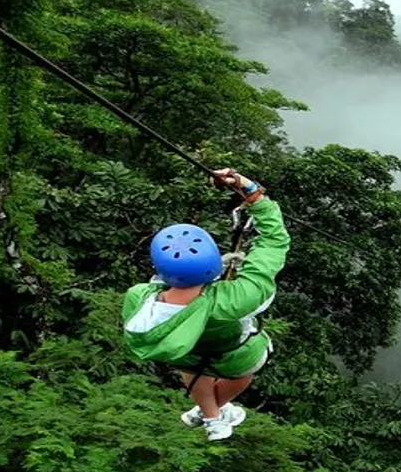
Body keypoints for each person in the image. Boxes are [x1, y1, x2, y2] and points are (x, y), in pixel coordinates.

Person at [121, 168, 290, 441]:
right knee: (247, 371)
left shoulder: (138, 297)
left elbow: (158, 288)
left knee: (193, 368)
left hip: (186, 355)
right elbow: (274, 241)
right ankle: (212, 414)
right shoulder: (235, 299)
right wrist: (252, 191)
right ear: (212, 266)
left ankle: (210, 414)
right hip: (233, 357)